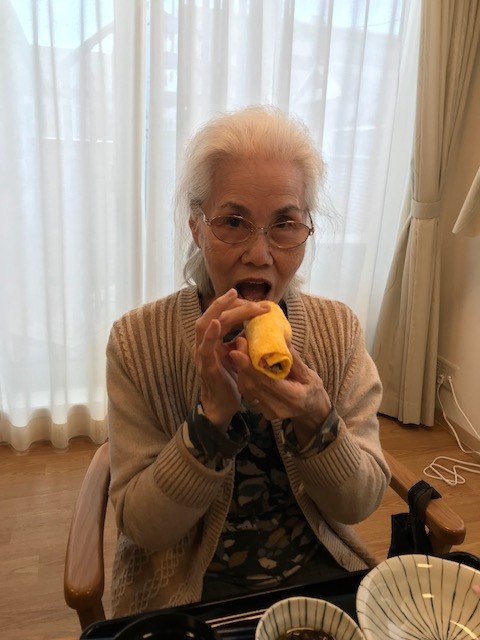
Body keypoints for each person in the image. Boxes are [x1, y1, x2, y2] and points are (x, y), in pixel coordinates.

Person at [106, 105, 391, 617]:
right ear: (197, 228)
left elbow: (359, 503)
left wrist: (316, 418)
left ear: (306, 230)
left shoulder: (338, 331)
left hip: (320, 578)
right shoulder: (137, 342)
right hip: (189, 598)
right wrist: (209, 423)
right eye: (234, 222)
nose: (260, 254)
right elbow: (143, 528)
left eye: (285, 224)